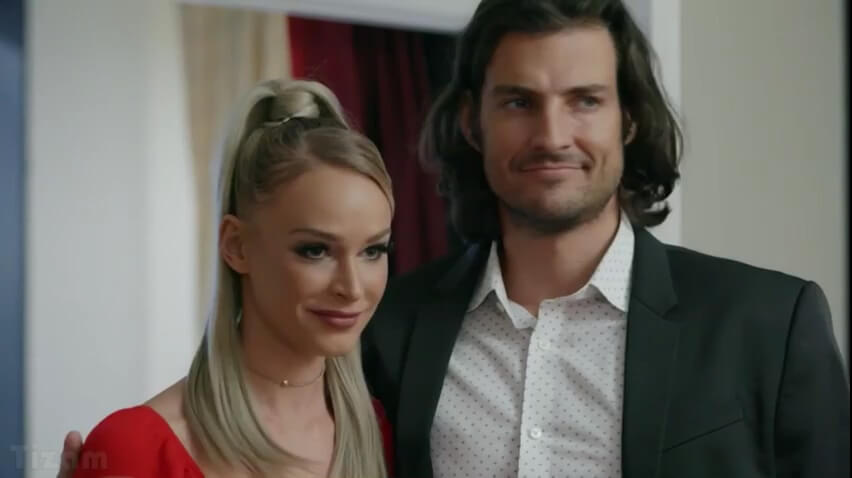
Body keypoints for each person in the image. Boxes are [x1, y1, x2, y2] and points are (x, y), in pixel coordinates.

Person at [59, 1, 850, 477]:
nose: (553, 134)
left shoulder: (767, 326)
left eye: (584, 100)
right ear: (471, 120)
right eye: (518, 101)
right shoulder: (387, 335)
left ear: (629, 118)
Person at [64, 79, 394, 478]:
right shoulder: (135, 448)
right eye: (315, 250)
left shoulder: (383, 434)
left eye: (373, 251)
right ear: (236, 246)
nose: (353, 288)